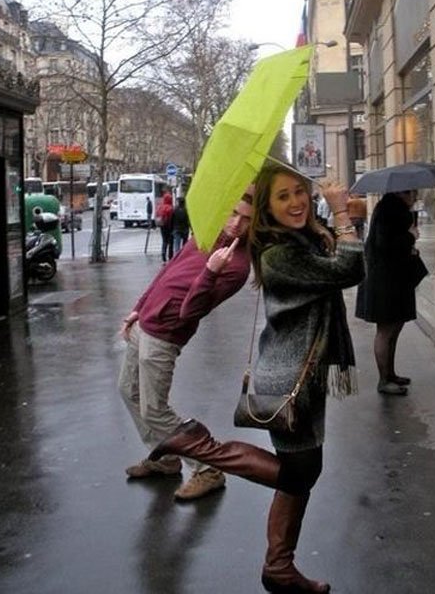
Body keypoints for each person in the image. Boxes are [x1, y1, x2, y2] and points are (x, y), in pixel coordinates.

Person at [148, 165, 364, 593]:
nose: (296, 202)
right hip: (288, 377)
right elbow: (347, 270)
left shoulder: (298, 239)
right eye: (282, 197)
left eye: (299, 192)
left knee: (304, 469)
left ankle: (279, 567)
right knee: (299, 474)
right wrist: (341, 217)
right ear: (267, 208)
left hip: (307, 371)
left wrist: (337, 221)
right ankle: (198, 445)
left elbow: (335, 257)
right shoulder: (279, 255)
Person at [118, 189, 254, 502]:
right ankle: (165, 458)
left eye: (246, 219)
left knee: (155, 409)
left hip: (165, 336)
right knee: (128, 391)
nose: (236, 224)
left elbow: (190, 311)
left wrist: (211, 272)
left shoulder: (236, 267)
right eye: (233, 213)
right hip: (144, 324)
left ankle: (208, 469)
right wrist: (138, 308)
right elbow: (168, 271)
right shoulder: (207, 234)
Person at [355, 189, 422, 396]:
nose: (415, 197)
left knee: (394, 328)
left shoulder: (392, 209)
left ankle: (390, 374)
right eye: (412, 193)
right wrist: (410, 237)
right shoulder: (389, 210)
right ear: (403, 194)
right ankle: (384, 379)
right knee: (386, 331)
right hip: (385, 282)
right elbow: (385, 244)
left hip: (392, 280)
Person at [156, 191, 174, 262]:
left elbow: (157, 215)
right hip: (169, 227)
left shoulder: (160, 207)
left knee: (164, 241)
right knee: (170, 242)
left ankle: (163, 254)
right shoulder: (170, 208)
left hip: (162, 226)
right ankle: (170, 256)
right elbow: (172, 218)